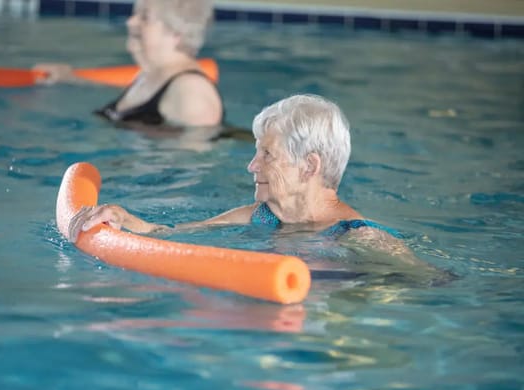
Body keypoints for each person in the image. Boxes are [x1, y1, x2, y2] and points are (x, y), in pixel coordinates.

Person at [68, 94, 420, 262]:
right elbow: (169, 236)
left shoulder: (363, 238)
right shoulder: (258, 217)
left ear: (310, 167)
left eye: (267, 154)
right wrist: (121, 217)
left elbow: (430, 288)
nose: (252, 166)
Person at [34, 0, 223, 129]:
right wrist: (70, 77)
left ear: (176, 32)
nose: (130, 21)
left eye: (144, 17)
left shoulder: (192, 93)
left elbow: (193, 168)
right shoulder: (148, 76)